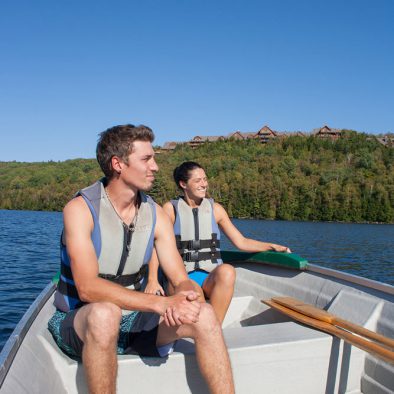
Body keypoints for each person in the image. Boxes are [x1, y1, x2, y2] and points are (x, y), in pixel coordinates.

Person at [48, 126, 234, 394]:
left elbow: (179, 278)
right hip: (80, 320)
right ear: (118, 164)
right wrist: (161, 304)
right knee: (105, 313)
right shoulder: (80, 210)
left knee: (205, 315)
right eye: (147, 159)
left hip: (134, 319)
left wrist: (188, 297)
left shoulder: (155, 214)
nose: (156, 167)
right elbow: (88, 288)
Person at [145, 161, 291, 324]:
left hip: (210, 278)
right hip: (182, 278)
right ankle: (205, 329)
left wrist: (272, 246)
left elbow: (241, 242)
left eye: (205, 179)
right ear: (183, 184)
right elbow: (156, 246)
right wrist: (152, 280)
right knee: (194, 294)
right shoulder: (170, 209)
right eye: (198, 180)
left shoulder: (216, 209)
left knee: (227, 271)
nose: (204, 184)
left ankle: (216, 326)